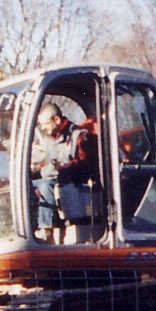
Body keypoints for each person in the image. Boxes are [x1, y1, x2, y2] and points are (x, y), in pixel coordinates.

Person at [30, 103, 98, 243]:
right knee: (26, 185)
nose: (43, 128)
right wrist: (35, 168)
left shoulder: (78, 136)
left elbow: (86, 164)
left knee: (45, 186)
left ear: (57, 120)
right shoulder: (48, 140)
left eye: (46, 124)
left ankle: (46, 228)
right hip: (51, 176)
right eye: (41, 125)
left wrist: (65, 167)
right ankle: (31, 227)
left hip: (70, 180)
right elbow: (45, 161)